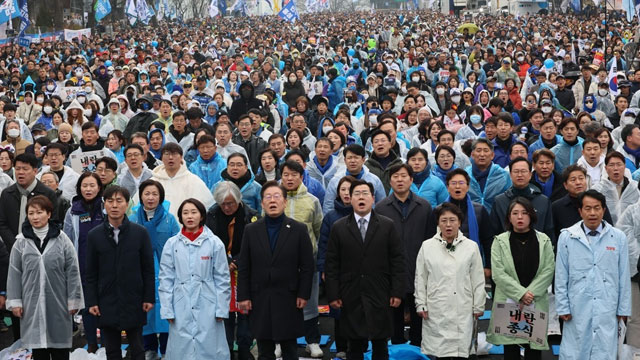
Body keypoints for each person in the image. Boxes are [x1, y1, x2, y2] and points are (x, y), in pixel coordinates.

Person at [325, 179, 405, 360]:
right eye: (357, 194)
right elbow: (331, 264)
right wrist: (333, 294)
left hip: (380, 291)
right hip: (350, 292)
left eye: (365, 194)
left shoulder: (387, 225)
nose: (361, 198)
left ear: (373, 198)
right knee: (354, 344)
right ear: (350, 199)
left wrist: (397, 292)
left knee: (380, 343)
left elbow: (397, 261)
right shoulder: (339, 227)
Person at [237, 181, 314, 360]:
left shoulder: (298, 229)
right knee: (264, 350)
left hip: (289, 296)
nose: (273, 200)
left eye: (277, 196)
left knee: (290, 349)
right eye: (268, 197)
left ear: (285, 202)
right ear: (262, 203)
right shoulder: (251, 230)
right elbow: (244, 266)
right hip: (260, 296)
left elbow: (307, 266)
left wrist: (304, 293)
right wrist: (243, 296)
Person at [555, 190, 632, 360]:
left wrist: (623, 308)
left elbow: (623, 276)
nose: (592, 213)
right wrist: (562, 306)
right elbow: (561, 275)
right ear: (580, 211)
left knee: (604, 350)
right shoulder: (567, 237)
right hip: (577, 306)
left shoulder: (617, 237)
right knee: (576, 350)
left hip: (608, 305)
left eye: (597, 208)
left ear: (604, 210)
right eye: (588, 208)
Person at [6, 195, 83, 360]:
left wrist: (73, 300)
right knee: (38, 349)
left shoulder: (62, 240)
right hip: (31, 303)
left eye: (39, 212)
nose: (35, 217)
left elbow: (72, 270)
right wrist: (15, 302)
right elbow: (14, 273)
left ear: (49, 214)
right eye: (31, 213)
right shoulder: (21, 242)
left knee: (59, 349)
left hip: (59, 301)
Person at [85, 186, 155, 360]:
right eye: (110, 201)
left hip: (134, 298)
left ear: (127, 205)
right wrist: (92, 301)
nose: (114, 205)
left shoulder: (140, 233)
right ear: (104, 204)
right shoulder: (94, 235)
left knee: (138, 348)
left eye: (119, 201)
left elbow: (148, 269)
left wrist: (148, 297)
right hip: (106, 298)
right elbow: (90, 272)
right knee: (112, 350)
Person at [158, 198, 231, 359]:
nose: (189, 216)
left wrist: (221, 309)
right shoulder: (172, 244)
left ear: (202, 216)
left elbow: (222, 279)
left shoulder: (214, 243)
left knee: (210, 347)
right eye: (185, 213)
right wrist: (167, 309)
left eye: (194, 212)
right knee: (181, 348)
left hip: (209, 303)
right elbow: (166, 279)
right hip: (180, 303)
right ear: (180, 217)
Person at [414, 202, 485, 359]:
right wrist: (421, 303)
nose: (448, 225)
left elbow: (478, 279)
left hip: (463, 305)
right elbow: (420, 277)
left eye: (452, 220)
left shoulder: (471, 247)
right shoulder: (427, 246)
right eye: (443, 220)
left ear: (459, 222)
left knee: (462, 350)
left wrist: (478, 305)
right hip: (436, 305)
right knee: (440, 351)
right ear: (438, 223)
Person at [487, 197, 555, 360]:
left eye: (524, 213)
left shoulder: (543, 240)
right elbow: (498, 274)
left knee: (534, 350)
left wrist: (529, 294)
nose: (519, 217)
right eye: (515, 213)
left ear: (531, 216)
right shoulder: (499, 241)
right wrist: (520, 294)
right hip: (509, 301)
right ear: (509, 217)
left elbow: (548, 270)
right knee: (511, 350)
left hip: (535, 300)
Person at [375, 163, 435, 346]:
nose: (399, 180)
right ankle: (398, 348)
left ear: (411, 179)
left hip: (419, 269)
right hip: (391, 272)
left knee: (419, 317)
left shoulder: (424, 206)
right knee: (394, 318)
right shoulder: (381, 208)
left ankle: (417, 349)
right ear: (390, 181)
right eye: (395, 177)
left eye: (403, 176)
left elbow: (431, 239)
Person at [205, 181, 259, 360]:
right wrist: (224, 261)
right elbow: (208, 243)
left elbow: (255, 245)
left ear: (239, 200)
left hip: (245, 271)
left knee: (245, 315)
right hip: (219, 271)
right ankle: (225, 350)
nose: (227, 207)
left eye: (231, 203)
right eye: (223, 204)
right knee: (224, 315)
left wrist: (236, 261)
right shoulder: (211, 215)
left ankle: (245, 349)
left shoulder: (251, 215)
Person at [129, 180, 180, 359]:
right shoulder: (133, 218)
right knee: (145, 311)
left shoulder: (169, 218)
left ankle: (167, 349)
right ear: (141, 196)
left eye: (155, 194)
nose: (151, 198)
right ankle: (149, 348)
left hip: (166, 271)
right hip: (140, 271)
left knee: (166, 310)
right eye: (147, 193)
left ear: (161, 197)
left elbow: (177, 244)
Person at [279, 160, 324, 358]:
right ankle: (279, 341)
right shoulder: (275, 198)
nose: (289, 178)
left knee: (310, 302)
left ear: (301, 176)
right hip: (279, 263)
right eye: (286, 174)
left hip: (307, 262)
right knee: (281, 303)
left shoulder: (312, 200)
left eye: (293, 175)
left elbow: (319, 231)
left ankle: (312, 341)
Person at [316, 175, 354, 359]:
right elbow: (323, 245)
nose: (347, 193)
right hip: (336, 270)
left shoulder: (363, 213)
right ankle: (341, 346)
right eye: (343, 189)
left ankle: (358, 346)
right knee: (339, 310)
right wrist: (323, 269)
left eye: (350, 189)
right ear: (338, 192)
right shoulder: (331, 216)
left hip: (358, 270)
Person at [490, 157, 555, 242]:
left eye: (523, 171)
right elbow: (494, 232)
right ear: (510, 174)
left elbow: (549, 231)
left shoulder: (543, 201)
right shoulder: (500, 201)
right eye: (516, 171)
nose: (520, 175)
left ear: (530, 174)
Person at [445, 168, 494, 277]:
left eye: (461, 183)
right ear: (448, 187)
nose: (457, 186)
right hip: (445, 265)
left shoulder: (480, 210)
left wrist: (488, 266)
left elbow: (487, 240)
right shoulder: (440, 212)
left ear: (467, 187)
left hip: (472, 263)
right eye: (453, 183)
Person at [150, 143, 214, 217]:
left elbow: (207, 205)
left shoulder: (193, 180)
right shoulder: (153, 182)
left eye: (174, 154)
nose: (170, 157)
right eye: (167, 154)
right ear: (162, 158)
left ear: (181, 157)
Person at [551, 165, 614, 241]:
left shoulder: (597, 201)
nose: (578, 183)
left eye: (581, 179)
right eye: (573, 180)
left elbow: (609, 228)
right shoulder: (557, 207)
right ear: (565, 185)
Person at [323, 144, 386, 215]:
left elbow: (381, 205)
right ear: (345, 160)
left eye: (356, 157)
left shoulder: (374, 180)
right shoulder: (336, 180)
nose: (352, 161)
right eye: (349, 158)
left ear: (363, 160)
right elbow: (328, 206)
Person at [592, 151, 640, 225]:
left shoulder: (635, 188)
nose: (615, 168)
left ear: (624, 166)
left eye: (619, 164)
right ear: (606, 168)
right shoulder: (597, 190)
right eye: (611, 165)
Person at [465, 138, 512, 212]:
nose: (482, 154)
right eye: (478, 150)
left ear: (492, 155)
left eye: (486, 151)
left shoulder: (503, 175)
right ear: (472, 155)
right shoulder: (465, 175)